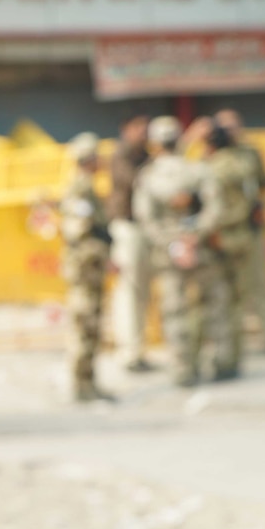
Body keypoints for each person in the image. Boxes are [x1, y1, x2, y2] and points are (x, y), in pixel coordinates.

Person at [133, 117, 227, 386]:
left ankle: (183, 368)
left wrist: (173, 243)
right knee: (210, 307)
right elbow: (215, 208)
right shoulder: (198, 170)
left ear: (154, 143)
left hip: (169, 254)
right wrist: (194, 237)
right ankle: (217, 362)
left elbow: (146, 219)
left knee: (175, 311)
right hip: (201, 250)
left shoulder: (148, 176)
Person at [215, 108, 265, 355]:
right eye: (225, 127)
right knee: (229, 289)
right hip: (225, 230)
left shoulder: (250, 153)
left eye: (234, 126)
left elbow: (264, 182)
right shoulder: (212, 156)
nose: (231, 132)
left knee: (259, 283)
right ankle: (231, 343)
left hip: (251, 226)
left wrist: (262, 207)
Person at [60, 132, 114, 402]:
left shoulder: (87, 187)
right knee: (84, 326)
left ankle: (89, 382)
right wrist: (102, 252)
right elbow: (78, 233)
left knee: (92, 327)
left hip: (91, 268)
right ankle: (81, 385)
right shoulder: (79, 189)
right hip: (85, 269)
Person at [200, 123, 256, 381]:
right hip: (242, 237)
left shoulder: (211, 170)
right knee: (237, 302)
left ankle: (222, 361)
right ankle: (235, 359)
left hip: (219, 240)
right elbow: (253, 199)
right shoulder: (243, 166)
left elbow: (213, 208)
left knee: (218, 303)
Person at [106, 113, 154, 372]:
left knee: (141, 291)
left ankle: (137, 348)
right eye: (138, 126)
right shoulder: (121, 155)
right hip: (127, 228)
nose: (143, 131)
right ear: (125, 129)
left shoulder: (147, 155)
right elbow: (138, 181)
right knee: (129, 291)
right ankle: (129, 353)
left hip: (143, 228)